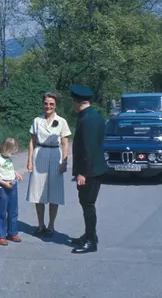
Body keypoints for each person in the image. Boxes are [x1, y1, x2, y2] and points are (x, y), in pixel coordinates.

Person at [26, 91, 72, 237]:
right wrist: (29, 160)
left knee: (54, 193)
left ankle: (51, 225)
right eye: (46, 103)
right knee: (37, 192)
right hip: (40, 154)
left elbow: (65, 143)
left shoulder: (61, 121)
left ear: (56, 105)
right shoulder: (37, 121)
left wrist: (64, 161)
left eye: (51, 104)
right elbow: (32, 141)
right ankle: (40, 225)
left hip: (55, 155)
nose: (48, 106)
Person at [69, 84, 107, 254]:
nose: (72, 105)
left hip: (90, 171)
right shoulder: (94, 115)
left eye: (73, 101)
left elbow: (88, 149)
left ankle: (91, 241)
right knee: (87, 204)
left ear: (78, 101)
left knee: (88, 205)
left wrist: (82, 173)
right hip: (93, 169)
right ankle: (89, 235)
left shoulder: (87, 120)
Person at [0, 137, 23, 246]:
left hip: (12, 185)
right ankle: (1, 235)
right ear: (6, 149)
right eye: (11, 152)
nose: (12, 155)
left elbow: (8, 168)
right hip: (3, 186)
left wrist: (16, 173)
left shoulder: (8, 158)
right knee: (2, 211)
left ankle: (13, 232)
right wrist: (3, 183)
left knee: (13, 210)